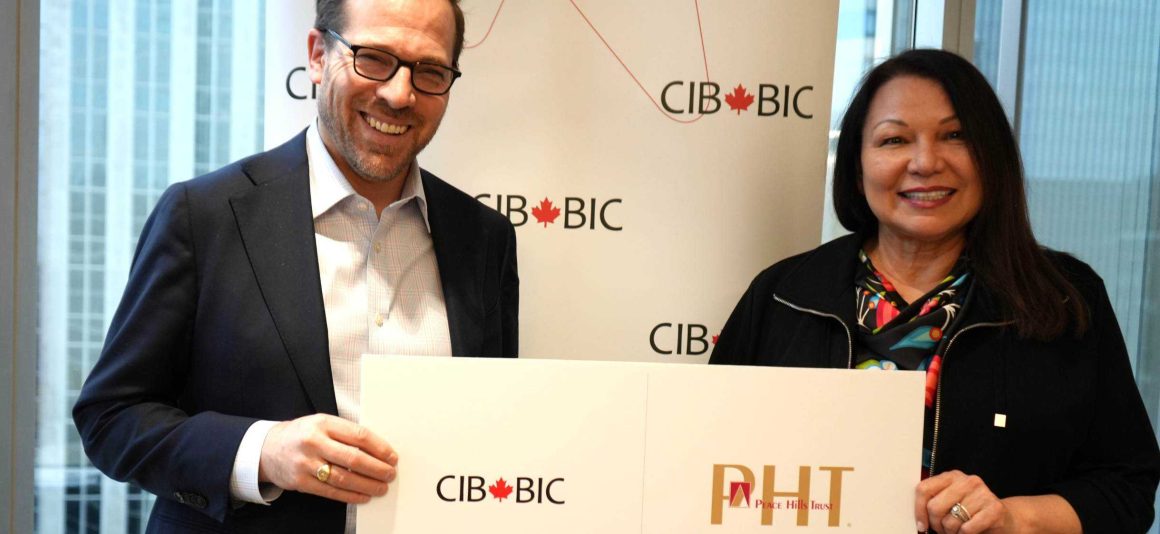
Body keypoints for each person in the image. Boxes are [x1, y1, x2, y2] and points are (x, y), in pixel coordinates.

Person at [72, 0, 518, 531]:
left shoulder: (484, 238)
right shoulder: (205, 216)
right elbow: (112, 418)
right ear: (316, 55)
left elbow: (492, 424)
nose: (400, 94)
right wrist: (262, 450)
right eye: (373, 58)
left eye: (430, 71)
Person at [711, 49, 1159, 533]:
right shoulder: (785, 294)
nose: (925, 162)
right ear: (858, 166)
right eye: (894, 139)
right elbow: (706, 458)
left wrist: (1014, 518)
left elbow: (1126, 489)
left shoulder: (1065, 297)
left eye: (955, 136)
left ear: (992, 156)